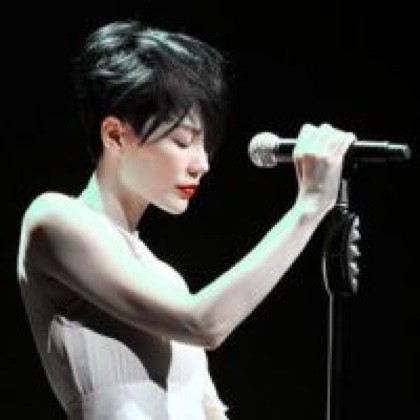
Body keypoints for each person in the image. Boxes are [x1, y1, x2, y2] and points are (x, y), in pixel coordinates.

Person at [16, 19, 355, 420]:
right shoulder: (54, 218)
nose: (202, 164)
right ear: (115, 136)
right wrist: (307, 207)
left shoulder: (167, 279)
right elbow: (202, 323)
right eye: (182, 142)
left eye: (204, 145)